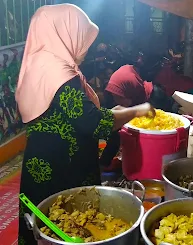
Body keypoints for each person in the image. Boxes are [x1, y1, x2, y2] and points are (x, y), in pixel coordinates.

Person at [15, 5, 155, 244]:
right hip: (64, 168)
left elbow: (71, 114)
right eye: (82, 37)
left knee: (42, 225)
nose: (86, 46)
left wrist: (115, 112)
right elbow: (97, 125)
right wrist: (137, 110)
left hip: (42, 160)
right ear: (64, 33)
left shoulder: (37, 63)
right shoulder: (60, 74)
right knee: (69, 225)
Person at [100, 65, 179, 169]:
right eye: (114, 96)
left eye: (119, 96)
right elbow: (115, 133)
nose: (116, 101)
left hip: (161, 160)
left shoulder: (157, 99)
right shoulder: (131, 102)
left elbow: (168, 135)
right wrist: (104, 163)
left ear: (131, 91)